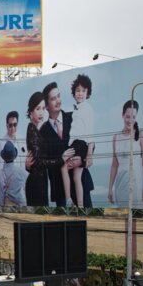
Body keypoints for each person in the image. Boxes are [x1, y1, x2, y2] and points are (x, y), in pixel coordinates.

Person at [35, 81, 94, 207]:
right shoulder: (43, 132)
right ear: (46, 105)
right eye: (53, 98)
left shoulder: (74, 117)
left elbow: (89, 138)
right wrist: (60, 159)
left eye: (59, 96)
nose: (58, 101)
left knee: (90, 223)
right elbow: (43, 161)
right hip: (61, 191)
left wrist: (83, 158)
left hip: (82, 184)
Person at [60, 74, 96, 208]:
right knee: (76, 177)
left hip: (80, 145)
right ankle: (79, 206)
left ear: (88, 93)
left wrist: (89, 154)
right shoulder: (76, 109)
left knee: (64, 167)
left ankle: (69, 200)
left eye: (83, 91)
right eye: (78, 91)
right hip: (77, 145)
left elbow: (91, 133)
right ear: (74, 93)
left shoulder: (87, 109)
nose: (80, 94)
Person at [108, 100, 143, 206]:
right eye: (127, 116)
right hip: (120, 184)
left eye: (133, 117)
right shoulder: (116, 137)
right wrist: (110, 189)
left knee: (135, 216)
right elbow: (114, 165)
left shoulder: (141, 135)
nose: (130, 120)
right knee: (123, 218)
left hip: (136, 184)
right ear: (122, 115)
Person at [23, 92, 49, 206]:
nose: (41, 112)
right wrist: (61, 160)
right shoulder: (32, 129)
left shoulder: (36, 130)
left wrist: (28, 166)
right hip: (36, 184)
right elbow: (39, 162)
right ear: (31, 111)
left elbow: (33, 161)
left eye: (43, 108)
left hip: (40, 182)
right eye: (38, 108)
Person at [0, 111, 26, 206]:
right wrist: (3, 198)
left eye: (15, 125)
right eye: (10, 125)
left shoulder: (21, 140)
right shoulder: (1, 143)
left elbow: (23, 166)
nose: (13, 128)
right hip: (9, 195)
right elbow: (0, 171)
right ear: (6, 126)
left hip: (21, 193)